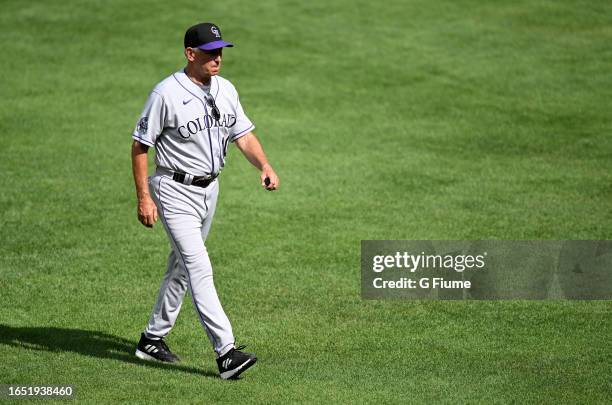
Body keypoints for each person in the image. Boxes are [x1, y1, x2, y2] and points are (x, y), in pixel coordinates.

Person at [130, 22, 279, 380]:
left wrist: (264, 164)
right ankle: (226, 353)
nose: (218, 57)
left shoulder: (226, 89)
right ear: (190, 54)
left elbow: (243, 135)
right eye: (210, 51)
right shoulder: (165, 93)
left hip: (209, 191)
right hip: (174, 190)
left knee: (181, 268)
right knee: (199, 267)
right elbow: (140, 146)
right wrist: (144, 198)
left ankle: (152, 338)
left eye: (220, 50)